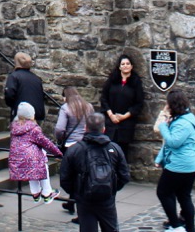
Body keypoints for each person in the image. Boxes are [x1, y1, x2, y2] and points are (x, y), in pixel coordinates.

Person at [60, 112, 130, 232]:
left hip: (84, 199)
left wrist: (78, 192)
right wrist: (111, 189)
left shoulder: (75, 150)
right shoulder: (115, 149)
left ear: (86, 128)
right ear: (103, 129)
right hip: (107, 199)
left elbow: (65, 178)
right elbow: (124, 176)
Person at [154, 87, 195, 232]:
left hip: (181, 165)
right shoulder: (184, 118)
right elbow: (170, 144)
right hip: (189, 165)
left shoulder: (183, 123)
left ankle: (176, 225)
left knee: (163, 192)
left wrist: (163, 125)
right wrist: (160, 158)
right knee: (183, 195)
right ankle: (188, 228)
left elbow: (173, 142)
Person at [9, 101, 61, 203]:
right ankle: (47, 193)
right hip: (31, 158)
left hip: (16, 158)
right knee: (42, 166)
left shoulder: (14, 126)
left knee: (31, 171)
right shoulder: (33, 128)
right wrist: (57, 152)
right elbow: (46, 143)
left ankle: (35, 193)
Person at [54, 87, 94, 217]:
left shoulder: (66, 108)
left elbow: (59, 129)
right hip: (86, 144)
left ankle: (79, 207)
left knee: (71, 176)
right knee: (82, 175)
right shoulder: (88, 106)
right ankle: (71, 202)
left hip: (71, 146)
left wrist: (60, 139)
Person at [100, 53, 145, 161]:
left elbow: (139, 104)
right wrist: (111, 115)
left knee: (122, 154)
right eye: (123, 64)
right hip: (111, 122)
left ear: (131, 66)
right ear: (119, 66)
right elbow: (103, 98)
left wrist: (124, 116)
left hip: (126, 124)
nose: (125, 65)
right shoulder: (112, 80)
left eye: (128, 63)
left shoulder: (136, 82)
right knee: (108, 151)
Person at [3, 51, 46, 122]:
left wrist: (13, 106)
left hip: (21, 115)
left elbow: (9, 94)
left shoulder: (14, 76)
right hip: (37, 114)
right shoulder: (36, 78)